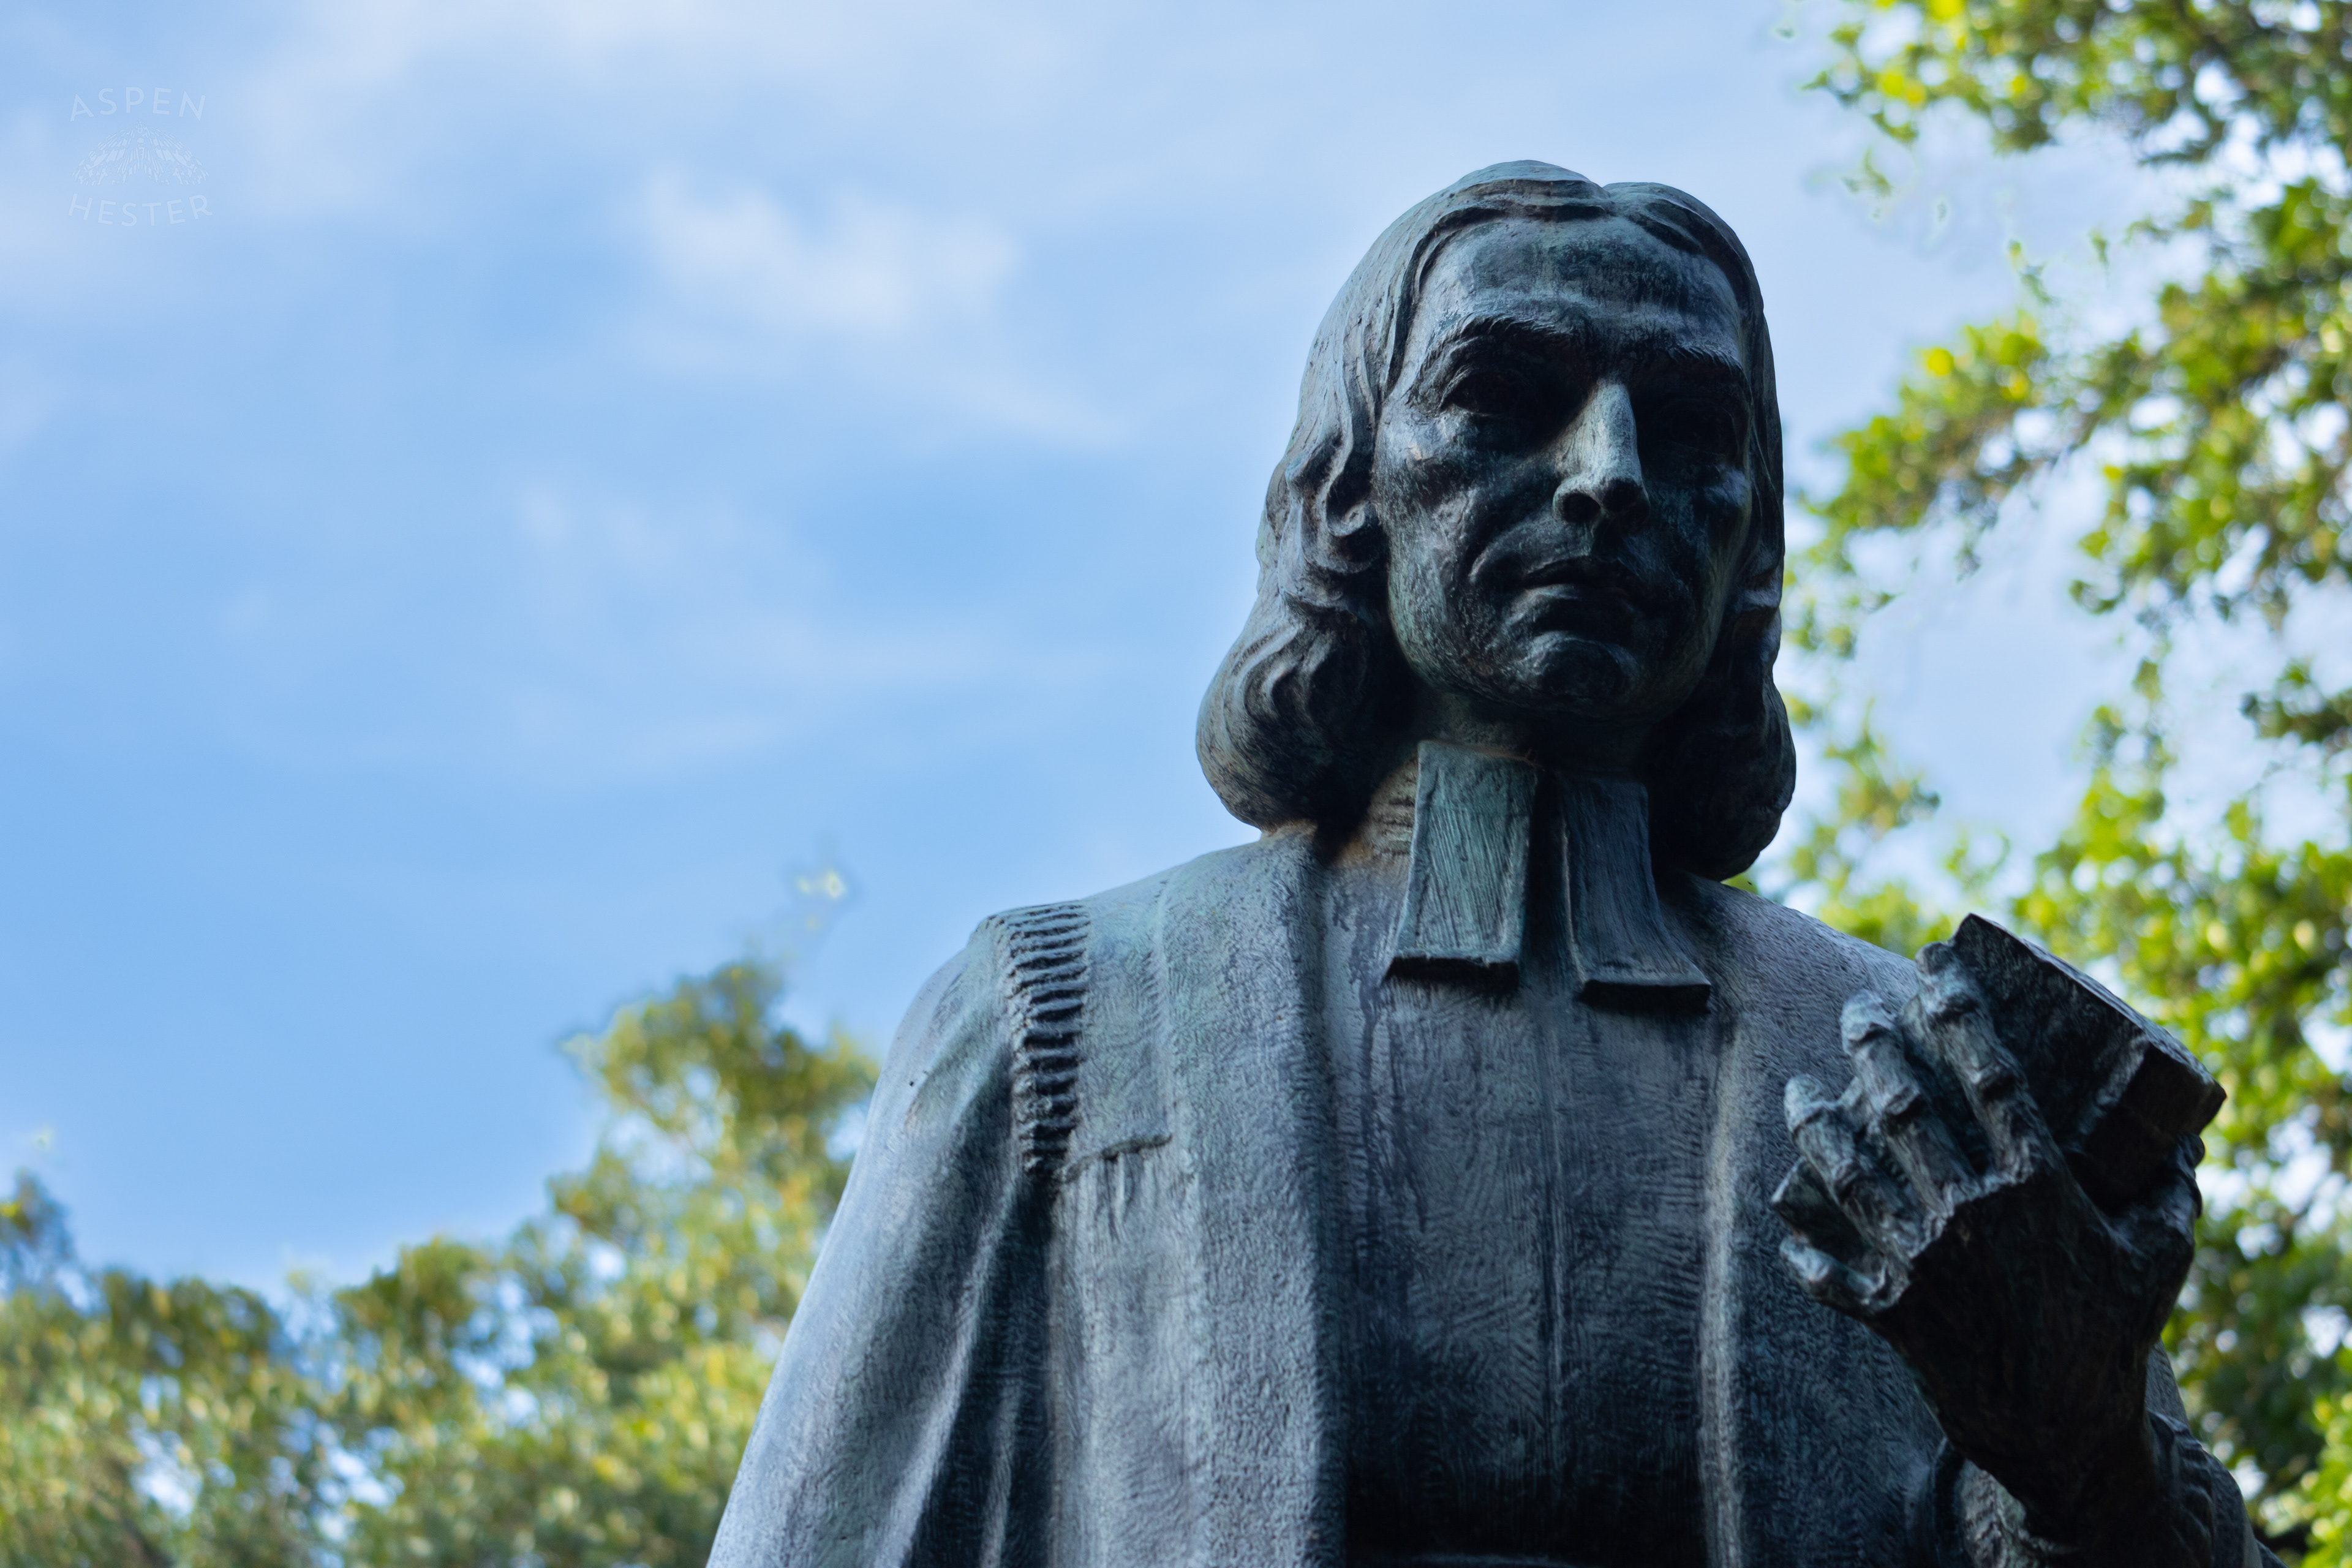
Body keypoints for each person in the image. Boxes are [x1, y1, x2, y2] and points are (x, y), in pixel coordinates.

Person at [709, 162, 2277, 1568]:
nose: (1610, 473)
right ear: (1352, 488)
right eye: (1507, 394)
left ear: (1753, 542)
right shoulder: (1069, 1019)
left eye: (1688, 428)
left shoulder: (1923, 1093)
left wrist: (2091, 1467)